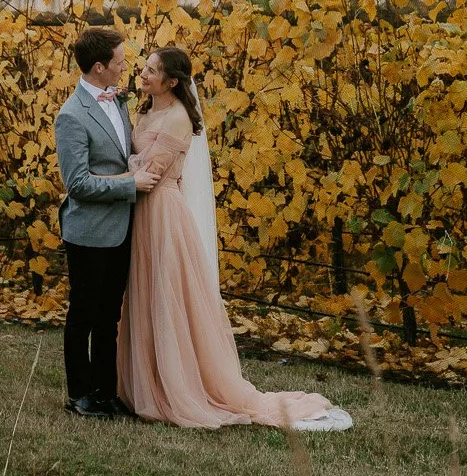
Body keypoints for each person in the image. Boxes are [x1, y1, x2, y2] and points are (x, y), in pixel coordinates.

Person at [116, 45, 352, 432]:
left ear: (171, 82)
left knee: (164, 295)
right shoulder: (146, 109)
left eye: (151, 70)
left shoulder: (176, 118)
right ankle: (144, 377)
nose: (142, 73)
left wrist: (100, 179)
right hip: (139, 214)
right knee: (142, 295)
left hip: (160, 213)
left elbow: (151, 173)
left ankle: (174, 384)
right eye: (143, 66)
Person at [54, 26, 156, 419]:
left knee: (110, 315)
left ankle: (106, 391)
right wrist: (131, 184)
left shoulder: (117, 100)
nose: (125, 66)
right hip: (89, 231)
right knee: (83, 314)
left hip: (121, 228)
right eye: (119, 61)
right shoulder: (71, 116)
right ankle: (79, 394)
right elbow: (77, 184)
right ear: (99, 67)